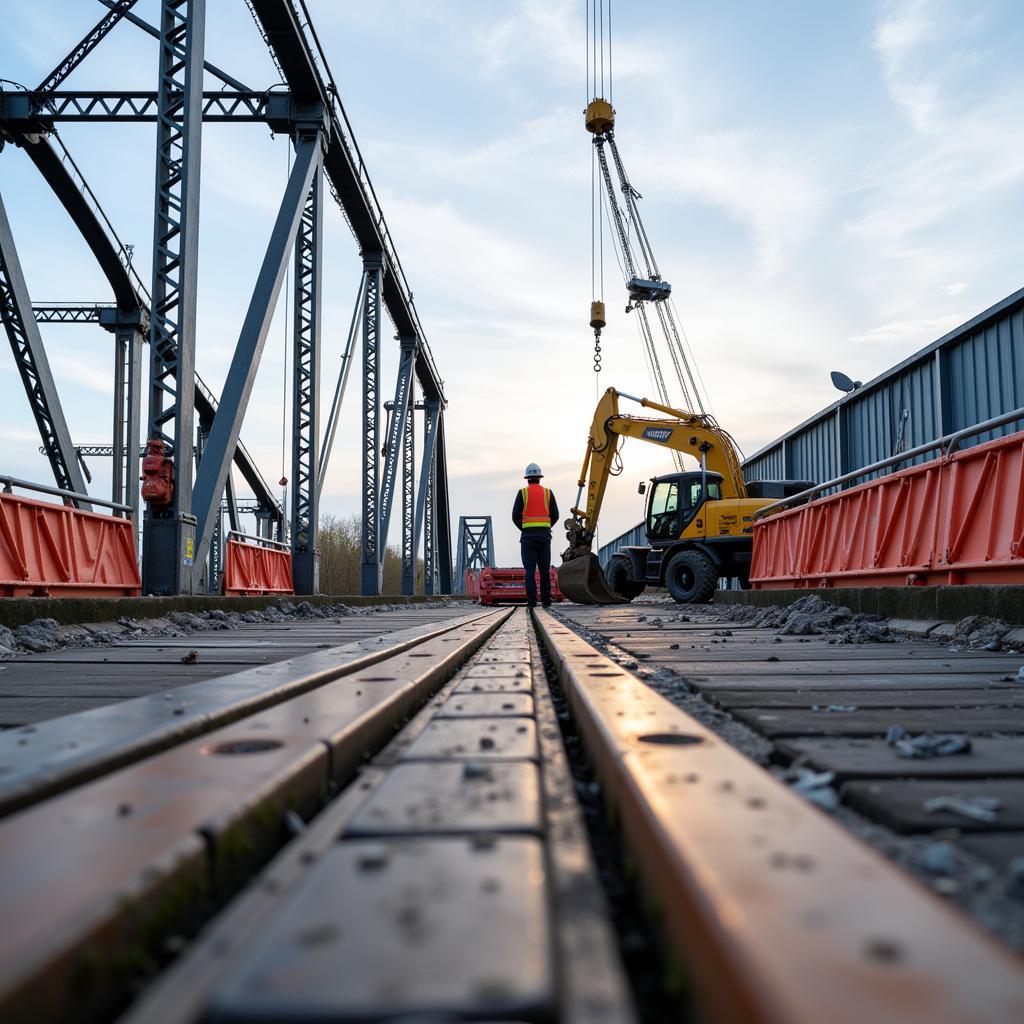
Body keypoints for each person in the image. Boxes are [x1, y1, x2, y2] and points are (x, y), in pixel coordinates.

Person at [512, 462, 559, 608]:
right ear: (539, 477)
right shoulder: (548, 493)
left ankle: (532, 601)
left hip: (528, 538)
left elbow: (515, 516)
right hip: (544, 537)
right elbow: (555, 515)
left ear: (527, 478)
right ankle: (546, 601)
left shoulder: (523, 493)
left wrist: (525, 529)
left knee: (530, 571)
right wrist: (545, 527)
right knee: (544, 570)